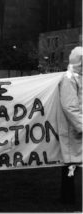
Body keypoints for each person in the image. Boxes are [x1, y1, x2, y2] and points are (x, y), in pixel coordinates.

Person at [58, 46, 82, 204]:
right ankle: (69, 199)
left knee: (75, 163)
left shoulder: (77, 77)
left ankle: (72, 198)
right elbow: (69, 106)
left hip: (77, 127)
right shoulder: (69, 78)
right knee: (71, 163)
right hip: (73, 128)